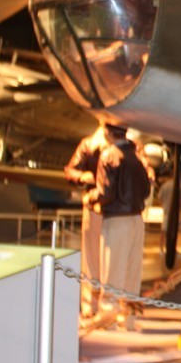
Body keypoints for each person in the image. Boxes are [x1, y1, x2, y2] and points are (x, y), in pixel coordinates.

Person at [88, 123, 151, 330]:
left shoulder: (109, 156)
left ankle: (109, 320)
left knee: (112, 270)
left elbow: (105, 192)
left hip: (117, 219)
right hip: (136, 219)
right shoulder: (136, 157)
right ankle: (130, 319)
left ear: (107, 132)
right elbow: (146, 189)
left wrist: (91, 197)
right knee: (132, 272)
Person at [65, 121, 110, 317]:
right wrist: (84, 176)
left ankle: (110, 306)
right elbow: (70, 171)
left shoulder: (128, 145)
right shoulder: (88, 145)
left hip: (116, 211)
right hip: (95, 208)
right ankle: (90, 305)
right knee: (91, 260)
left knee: (112, 261)